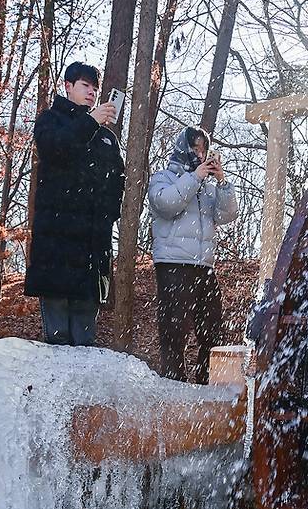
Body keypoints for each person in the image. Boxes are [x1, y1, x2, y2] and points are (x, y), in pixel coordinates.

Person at [24, 61, 124, 346]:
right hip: (56, 247)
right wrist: (90, 121)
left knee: (86, 341)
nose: (91, 92)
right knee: (57, 340)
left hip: (91, 249)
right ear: (68, 87)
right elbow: (56, 148)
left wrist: (107, 217)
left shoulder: (106, 137)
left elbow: (117, 179)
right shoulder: (50, 119)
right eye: (85, 86)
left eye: (95, 88)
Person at [148, 126, 238, 384]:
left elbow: (227, 215)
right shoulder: (163, 177)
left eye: (204, 149)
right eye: (195, 148)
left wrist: (222, 182)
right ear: (183, 149)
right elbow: (166, 205)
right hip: (173, 264)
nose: (200, 154)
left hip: (204, 266)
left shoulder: (208, 188)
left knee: (212, 328)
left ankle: (205, 381)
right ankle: (172, 384)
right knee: (174, 331)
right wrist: (195, 177)